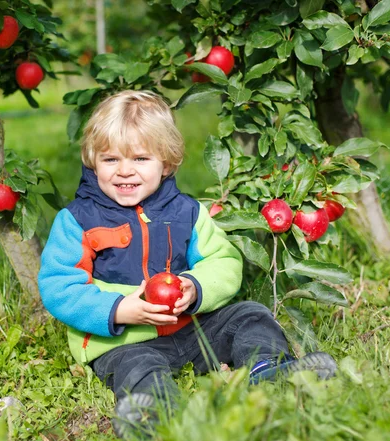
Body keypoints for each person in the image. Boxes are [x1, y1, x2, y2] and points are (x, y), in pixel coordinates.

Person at [38, 90, 336, 438]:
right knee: (138, 367)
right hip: (125, 341)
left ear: (166, 162)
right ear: (92, 161)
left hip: (192, 328)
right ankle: (155, 412)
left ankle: (269, 370)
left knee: (250, 315)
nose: (124, 171)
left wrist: (195, 288)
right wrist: (119, 310)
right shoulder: (77, 220)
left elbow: (223, 261)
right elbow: (59, 285)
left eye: (140, 159)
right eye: (110, 160)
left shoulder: (187, 212)